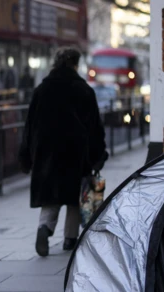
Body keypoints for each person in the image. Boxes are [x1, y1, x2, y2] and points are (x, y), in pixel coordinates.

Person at [19, 47, 108, 257]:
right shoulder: (84, 90)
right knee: (75, 196)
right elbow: (94, 127)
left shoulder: (42, 90)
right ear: (76, 64)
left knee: (51, 195)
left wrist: (27, 155)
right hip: (76, 152)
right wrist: (98, 155)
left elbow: (30, 126)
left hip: (47, 152)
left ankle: (44, 229)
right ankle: (70, 238)